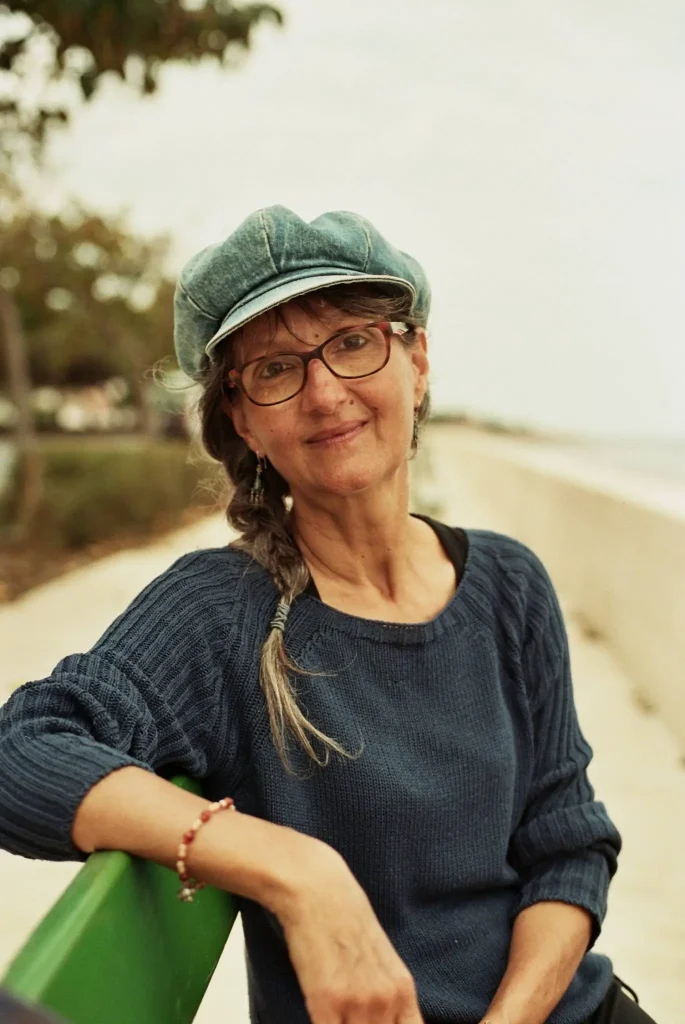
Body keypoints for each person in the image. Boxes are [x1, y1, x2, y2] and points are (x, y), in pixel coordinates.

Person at [0, 207, 655, 1024]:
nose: (323, 392)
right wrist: (293, 868)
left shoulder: (509, 585)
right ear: (241, 419)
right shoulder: (220, 611)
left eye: (352, 342)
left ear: (416, 361)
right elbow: (22, 751)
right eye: (275, 368)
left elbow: (567, 843)